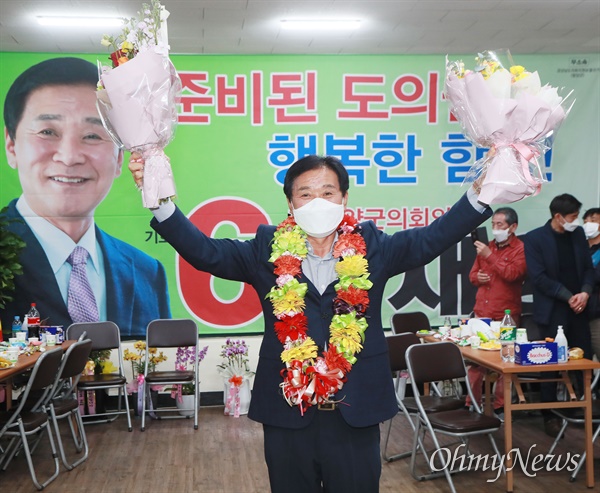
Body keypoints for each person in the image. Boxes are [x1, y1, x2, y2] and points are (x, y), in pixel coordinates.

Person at [129, 152, 493, 493]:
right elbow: (205, 252)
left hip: (356, 411)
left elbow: (434, 238)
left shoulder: (374, 247)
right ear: (290, 204)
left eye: (327, 192)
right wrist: (161, 203)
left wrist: (482, 194)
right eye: (305, 193)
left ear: (344, 198)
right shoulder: (265, 250)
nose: (317, 201)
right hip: (288, 416)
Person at [1, 57, 171, 337]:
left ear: (119, 157)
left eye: (92, 135)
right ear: (11, 145)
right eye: (47, 132)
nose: (69, 157)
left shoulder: (147, 273)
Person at [524, 193, 594, 437]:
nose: (576, 221)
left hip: (579, 308)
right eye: (573, 217)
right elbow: (539, 278)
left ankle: (586, 411)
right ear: (558, 216)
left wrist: (584, 293)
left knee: (583, 359)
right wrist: (569, 296)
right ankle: (550, 415)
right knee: (550, 363)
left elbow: (587, 268)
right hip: (553, 309)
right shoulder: (535, 239)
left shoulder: (576, 235)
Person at [465, 207, 527, 420]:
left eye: (500, 224)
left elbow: (513, 274)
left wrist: (490, 256)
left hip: (505, 316)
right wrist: (478, 277)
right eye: (493, 224)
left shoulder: (520, 249)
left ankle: (501, 407)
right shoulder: (488, 247)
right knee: (475, 361)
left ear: (513, 227)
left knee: (505, 362)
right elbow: (473, 275)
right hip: (482, 313)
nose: (495, 229)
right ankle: (472, 404)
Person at [583, 207, 600, 368]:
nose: (588, 224)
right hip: (579, 312)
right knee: (581, 358)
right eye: (586, 221)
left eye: (593, 220)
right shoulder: (580, 249)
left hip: (597, 313)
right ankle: (585, 393)